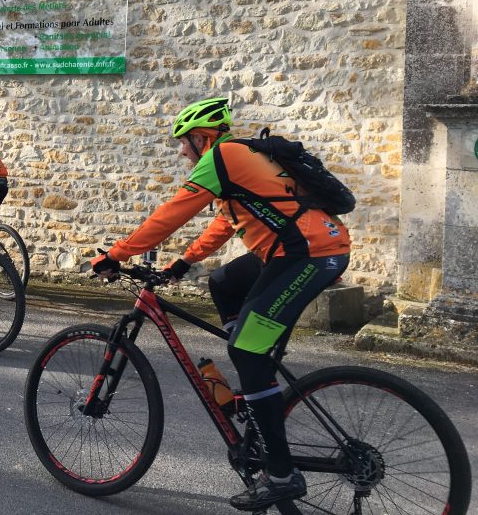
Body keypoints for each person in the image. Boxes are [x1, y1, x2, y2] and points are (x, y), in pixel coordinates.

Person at [90, 97, 351, 512]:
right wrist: (183, 262)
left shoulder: (220, 157)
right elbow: (224, 224)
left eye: (183, 142)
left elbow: (171, 214)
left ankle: (281, 476)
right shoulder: (240, 158)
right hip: (304, 250)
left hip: (308, 255)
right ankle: (256, 390)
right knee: (224, 283)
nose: (182, 152)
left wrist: (116, 254)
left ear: (201, 137)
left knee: (246, 350)